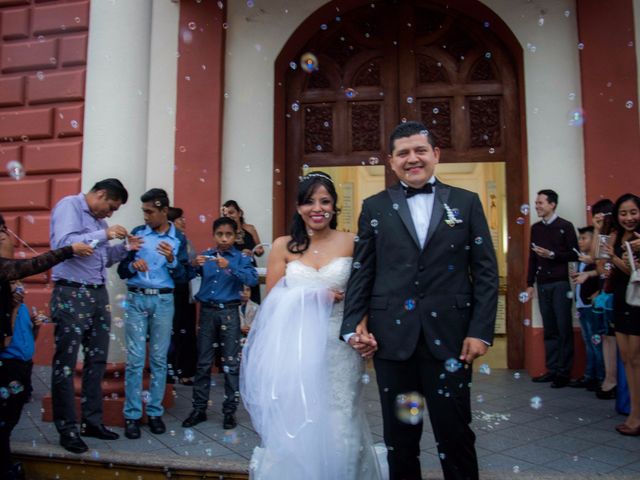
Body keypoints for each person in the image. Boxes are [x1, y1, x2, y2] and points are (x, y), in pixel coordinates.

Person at [341, 122, 498, 480]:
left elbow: (486, 271)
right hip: (393, 344)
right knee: (400, 438)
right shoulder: (374, 207)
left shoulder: (466, 203)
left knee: (455, 434)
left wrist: (481, 331)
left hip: (452, 342)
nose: (413, 159)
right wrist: (352, 325)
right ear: (391, 162)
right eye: (403, 153)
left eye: (420, 151)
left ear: (435, 155)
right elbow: (362, 269)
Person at [241, 172, 383, 480]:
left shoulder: (352, 242)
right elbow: (274, 304)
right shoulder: (283, 246)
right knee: (299, 417)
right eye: (309, 202)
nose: (317, 208)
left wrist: (363, 332)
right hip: (296, 346)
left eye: (325, 201)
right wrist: (317, 296)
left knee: (341, 419)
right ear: (298, 207)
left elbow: (364, 296)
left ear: (334, 206)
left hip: (339, 349)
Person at [49, 178, 140, 454]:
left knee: (97, 359)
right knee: (66, 362)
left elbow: (102, 258)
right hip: (71, 292)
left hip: (97, 293)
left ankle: (92, 421)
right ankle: (67, 428)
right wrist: (105, 234)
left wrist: (125, 248)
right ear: (100, 194)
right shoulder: (70, 206)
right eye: (110, 206)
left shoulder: (100, 223)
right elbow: (65, 243)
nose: (110, 214)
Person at [0, 213, 93, 479]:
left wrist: (22, 311)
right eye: (2, 231)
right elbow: (33, 264)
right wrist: (69, 250)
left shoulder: (10, 287)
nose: (8, 236)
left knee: (7, 422)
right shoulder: (6, 275)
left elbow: (12, 334)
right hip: (7, 365)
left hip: (15, 364)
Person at [117, 189, 191, 439]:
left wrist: (171, 260)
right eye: (144, 211)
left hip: (163, 301)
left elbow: (183, 278)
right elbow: (122, 271)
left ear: (163, 211)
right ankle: (132, 415)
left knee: (159, 359)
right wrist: (131, 264)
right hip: (136, 298)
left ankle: (156, 412)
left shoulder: (178, 238)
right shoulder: (137, 233)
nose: (145, 216)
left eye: (150, 211)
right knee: (136, 360)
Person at [182, 217, 258, 430]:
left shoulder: (241, 258)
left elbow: (251, 280)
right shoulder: (205, 256)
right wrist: (192, 265)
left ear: (235, 236)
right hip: (206, 312)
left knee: (231, 364)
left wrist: (230, 266)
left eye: (229, 235)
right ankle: (199, 409)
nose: (224, 239)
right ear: (214, 235)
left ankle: (229, 411)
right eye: (220, 234)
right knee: (204, 362)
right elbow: (185, 277)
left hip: (230, 312)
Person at [525, 189, 579, 388]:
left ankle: (563, 373)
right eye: (536, 203)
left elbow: (575, 254)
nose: (537, 206)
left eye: (540, 203)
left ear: (552, 204)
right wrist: (530, 284)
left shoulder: (565, 226)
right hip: (543, 284)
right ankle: (552, 369)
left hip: (560, 283)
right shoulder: (536, 228)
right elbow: (532, 258)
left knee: (564, 327)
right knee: (550, 328)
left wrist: (552, 255)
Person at [600, 193, 640, 435]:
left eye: (633, 212)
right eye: (623, 213)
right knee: (627, 360)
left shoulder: (638, 239)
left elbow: (631, 270)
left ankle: (636, 417)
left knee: (636, 359)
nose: (628, 218)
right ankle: (634, 412)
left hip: (637, 300)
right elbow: (608, 266)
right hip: (620, 298)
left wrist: (613, 256)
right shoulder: (617, 236)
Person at [166, 207, 198, 386]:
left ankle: (186, 371)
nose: (184, 221)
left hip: (186, 290)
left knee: (187, 330)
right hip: (173, 290)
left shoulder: (184, 239)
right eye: (180, 218)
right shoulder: (170, 241)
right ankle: (171, 370)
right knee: (173, 331)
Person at [590, 199, 618, 399]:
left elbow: (603, 265)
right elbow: (596, 260)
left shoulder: (618, 235)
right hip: (606, 290)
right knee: (607, 337)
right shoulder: (605, 235)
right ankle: (609, 379)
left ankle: (615, 381)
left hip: (619, 291)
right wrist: (598, 230)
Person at [570, 226, 604, 390]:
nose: (580, 241)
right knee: (588, 343)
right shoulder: (581, 259)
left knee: (596, 343)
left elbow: (601, 279)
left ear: (594, 240)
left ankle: (600, 377)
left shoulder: (598, 262)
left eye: (584, 238)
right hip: (582, 305)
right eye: (579, 238)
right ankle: (590, 376)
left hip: (592, 306)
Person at [222, 200, 264, 303]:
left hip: (250, 268)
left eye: (231, 212)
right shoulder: (225, 232)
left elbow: (260, 250)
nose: (229, 216)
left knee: (253, 302)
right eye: (225, 214)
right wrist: (240, 253)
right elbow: (223, 251)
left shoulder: (250, 229)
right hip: (233, 268)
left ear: (239, 213)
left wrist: (256, 251)